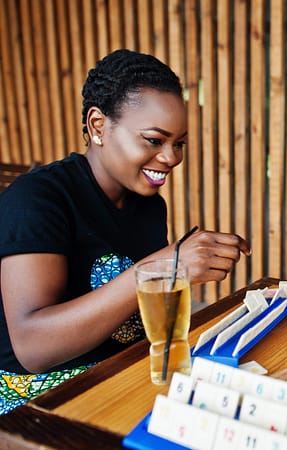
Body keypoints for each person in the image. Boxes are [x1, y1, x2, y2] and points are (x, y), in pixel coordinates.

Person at [0, 49, 250, 414]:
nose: (170, 158)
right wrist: (160, 266)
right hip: (36, 406)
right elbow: (34, 348)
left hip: (119, 375)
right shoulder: (37, 199)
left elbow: (144, 320)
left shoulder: (147, 203)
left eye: (179, 143)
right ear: (98, 125)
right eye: (154, 140)